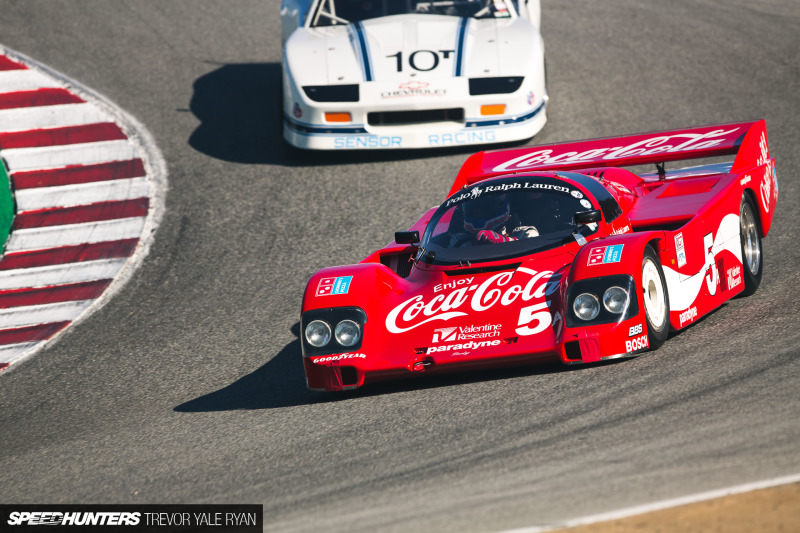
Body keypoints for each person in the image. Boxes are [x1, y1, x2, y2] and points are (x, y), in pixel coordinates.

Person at [461, 193, 539, 244]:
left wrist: (505, 241)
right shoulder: (458, 240)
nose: (478, 212)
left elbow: (532, 247)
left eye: (485, 207)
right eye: (474, 209)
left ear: (501, 206)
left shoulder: (525, 233)